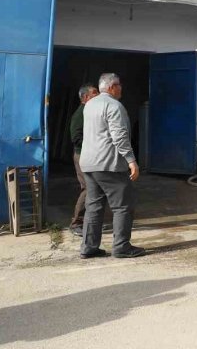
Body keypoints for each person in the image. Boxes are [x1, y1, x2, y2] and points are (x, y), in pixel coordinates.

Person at [79, 73, 145, 259]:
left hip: (89, 164)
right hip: (108, 163)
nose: (121, 88)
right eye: (119, 85)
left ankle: (89, 247)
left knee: (94, 206)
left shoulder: (90, 105)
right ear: (112, 87)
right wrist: (132, 161)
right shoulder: (114, 106)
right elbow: (119, 136)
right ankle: (121, 247)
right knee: (123, 205)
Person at [68, 83, 99, 236]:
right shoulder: (80, 114)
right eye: (94, 93)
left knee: (95, 188)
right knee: (88, 188)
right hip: (82, 155)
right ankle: (76, 223)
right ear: (86, 97)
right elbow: (75, 137)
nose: (98, 95)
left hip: (91, 155)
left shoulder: (91, 112)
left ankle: (89, 222)